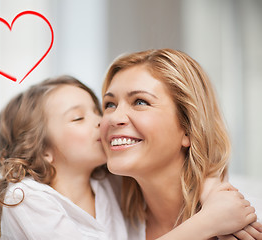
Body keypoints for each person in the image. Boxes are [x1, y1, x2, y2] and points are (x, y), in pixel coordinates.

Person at [0, 75, 258, 240]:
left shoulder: (109, 182)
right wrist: (207, 222)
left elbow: (177, 170)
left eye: (98, 110)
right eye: (79, 118)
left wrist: (211, 191)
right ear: (42, 148)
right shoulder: (25, 197)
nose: (104, 121)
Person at [100, 48, 262, 239]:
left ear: (188, 128)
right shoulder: (105, 217)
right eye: (110, 104)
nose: (114, 117)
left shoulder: (248, 220)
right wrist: (207, 223)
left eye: (140, 102)